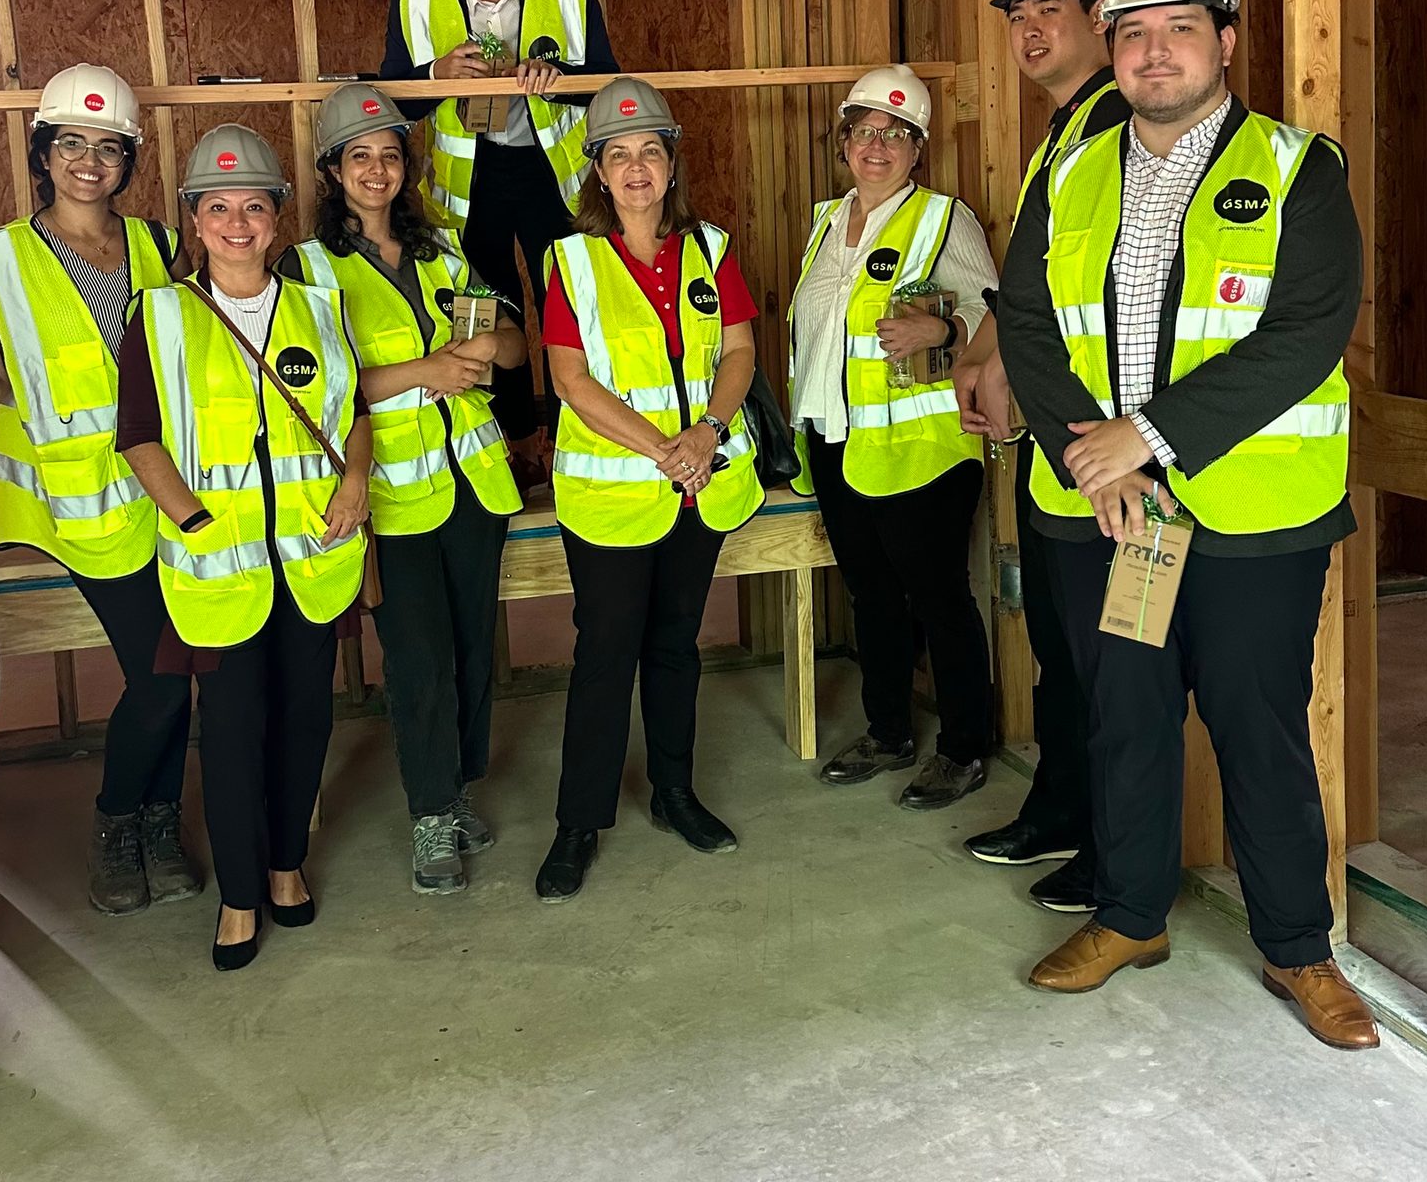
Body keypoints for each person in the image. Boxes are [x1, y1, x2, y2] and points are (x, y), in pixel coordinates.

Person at [999, 0, 1377, 1051]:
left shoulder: (1298, 169)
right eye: (1133, 33)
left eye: (1179, 29)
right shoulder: (1069, 169)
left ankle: (1298, 948)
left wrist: (1146, 439)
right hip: (1109, 514)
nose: (1153, 52)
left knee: (1260, 730)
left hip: (1255, 517)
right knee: (1125, 717)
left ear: (1225, 40)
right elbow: (1029, 323)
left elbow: (1305, 333)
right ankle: (1130, 918)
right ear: (1110, 45)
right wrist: (1090, 456)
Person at [0, 63, 201, 917]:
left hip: (175, 492)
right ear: (42, 153)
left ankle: (159, 825)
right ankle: (117, 821)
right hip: (83, 509)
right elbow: (2, 381)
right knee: (162, 677)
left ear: (128, 161)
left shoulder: (158, 245)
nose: (89, 161)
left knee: (184, 664)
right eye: (71, 143)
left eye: (108, 147)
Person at [116, 124, 373, 972]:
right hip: (220, 573)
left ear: (277, 218)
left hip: (310, 558)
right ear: (194, 220)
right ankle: (237, 895)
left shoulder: (318, 307)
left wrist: (355, 482)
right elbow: (139, 436)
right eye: (218, 208)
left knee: (304, 721)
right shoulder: (159, 314)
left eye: (253, 207)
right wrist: (192, 519)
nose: (237, 224)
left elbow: (352, 416)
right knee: (229, 732)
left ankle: (285, 864)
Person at [280, 85, 526, 897]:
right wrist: (425, 371)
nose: (377, 170)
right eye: (359, 157)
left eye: (389, 155)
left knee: (473, 652)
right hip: (390, 496)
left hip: (473, 484)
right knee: (419, 659)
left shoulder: (443, 251)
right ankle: (429, 814)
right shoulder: (307, 270)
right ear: (331, 170)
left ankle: (454, 791)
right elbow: (308, 389)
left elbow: (514, 344)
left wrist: (490, 347)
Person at [533, 77, 762, 902]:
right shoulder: (572, 260)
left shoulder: (711, 248)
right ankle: (577, 823)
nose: (636, 169)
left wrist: (706, 432)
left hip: (698, 488)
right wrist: (665, 449)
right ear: (597, 171)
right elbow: (571, 380)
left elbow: (738, 351)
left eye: (650, 153)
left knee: (674, 646)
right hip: (613, 499)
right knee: (604, 655)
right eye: (618, 155)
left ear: (671, 164)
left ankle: (673, 793)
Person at [957, 0, 1130, 915]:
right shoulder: (1065, 132)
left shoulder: (1114, 126)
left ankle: (1112, 851)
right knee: (1062, 647)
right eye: (1017, 14)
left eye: (1048, 9)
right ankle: (1062, 808)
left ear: (1100, 17)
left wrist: (1007, 368)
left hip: (1099, 437)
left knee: (1104, 657)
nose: (1029, 29)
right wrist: (985, 355)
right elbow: (1029, 282)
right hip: (1057, 438)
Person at [790, 66, 1001, 811]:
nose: (876, 146)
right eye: (864, 131)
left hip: (924, 450)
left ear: (917, 149)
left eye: (896, 134)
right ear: (844, 140)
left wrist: (941, 330)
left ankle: (964, 747)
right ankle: (887, 733)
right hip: (837, 440)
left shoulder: (944, 219)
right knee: (871, 595)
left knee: (939, 597)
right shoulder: (825, 222)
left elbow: (995, 311)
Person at [380, 0, 620, 474]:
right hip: (469, 186)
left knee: (566, 306)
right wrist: (435, 75)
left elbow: (605, 80)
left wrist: (557, 76)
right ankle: (510, 444)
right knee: (484, 312)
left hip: (553, 177)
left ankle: (574, 441)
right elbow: (394, 104)